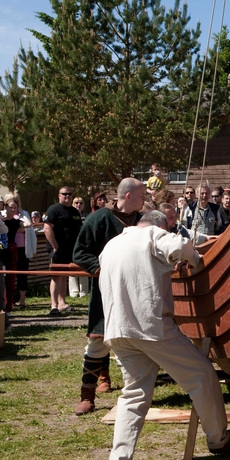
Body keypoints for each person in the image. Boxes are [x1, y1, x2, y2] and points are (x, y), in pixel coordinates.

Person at [101, 211, 230, 460]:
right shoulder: (152, 234)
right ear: (160, 225)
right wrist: (194, 261)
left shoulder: (112, 244)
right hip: (151, 327)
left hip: (118, 329)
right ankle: (219, 439)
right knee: (202, 375)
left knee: (134, 393)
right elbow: (180, 246)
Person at [72, 178, 146, 415]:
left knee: (134, 343)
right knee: (97, 341)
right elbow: (80, 252)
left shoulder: (143, 221)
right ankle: (87, 396)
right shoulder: (99, 219)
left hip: (136, 291)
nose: (145, 198)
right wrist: (104, 269)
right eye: (141, 194)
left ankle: (133, 396)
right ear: (128, 196)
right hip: (106, 291)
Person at [43, 187, 83, 316]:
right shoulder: (54, 209)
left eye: (70, 194)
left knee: (64, 275)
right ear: (59, 195)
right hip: (57, 249)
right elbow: (47, 228)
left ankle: (62, 303)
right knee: (56, 276)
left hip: (70, 249)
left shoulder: (74, 211)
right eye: (64, 194)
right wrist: (55, 247)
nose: (67, 196)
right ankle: (53, 305)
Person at [2, 194, 35, 314]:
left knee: (11, 279)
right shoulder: (1, 220)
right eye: (10, 207)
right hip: (1, 249)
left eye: (14, 207)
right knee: (1, 280)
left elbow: (28, 224)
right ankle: (2, 305)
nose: (12, 210)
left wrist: (20, 213)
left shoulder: (16, 221)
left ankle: (9, 307)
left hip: (12, 249)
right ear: (6, 207)